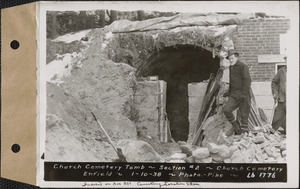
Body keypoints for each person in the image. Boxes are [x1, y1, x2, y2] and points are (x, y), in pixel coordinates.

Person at [222, 50, 252, 135]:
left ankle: (244, 135)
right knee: (226, 109)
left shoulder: (243, 66)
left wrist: (244, 94)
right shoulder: (231, 67)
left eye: (232, 58)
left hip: (243, 94)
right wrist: (229, 92)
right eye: (229, 59)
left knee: (244, 115)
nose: (230, 60)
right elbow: (232, 81)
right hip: (234, 94)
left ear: (236, 57)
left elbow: (247, 81)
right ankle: (236, 126)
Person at [271, 62, 286, 134]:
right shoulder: (281, 71)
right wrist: (275, 93)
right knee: (276, 118)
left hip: (293, 100)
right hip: (282, 99)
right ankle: (272, 134)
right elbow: (274, 82)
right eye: (286, 60)